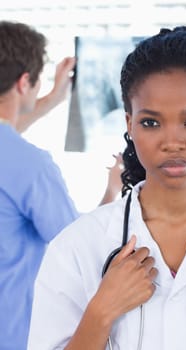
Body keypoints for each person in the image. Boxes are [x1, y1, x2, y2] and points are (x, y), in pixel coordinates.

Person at [27, 25, 186, 350]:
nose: (173, 142)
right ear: (129, 124)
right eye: (151, 122)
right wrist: (101, 312)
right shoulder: (78, 246)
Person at [0, 20, 123, 350]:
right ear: (25, 82)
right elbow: (77, 246)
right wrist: (112, 192)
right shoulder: (31, 165)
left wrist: (53, 99)